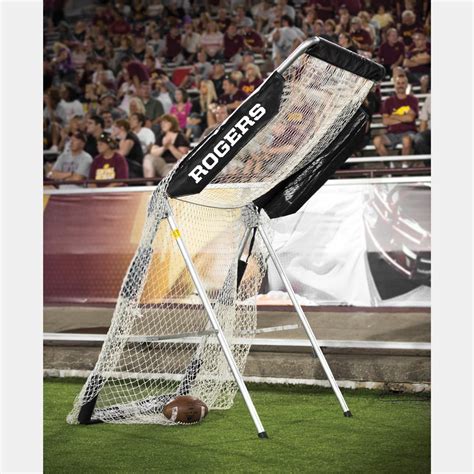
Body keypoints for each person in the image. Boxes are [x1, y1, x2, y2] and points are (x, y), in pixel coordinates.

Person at [373, 75, 419, 156]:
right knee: (377, 140)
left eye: (403, 83)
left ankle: (405, 163)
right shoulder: (388, 101)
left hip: (409, 132)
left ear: (406, 85)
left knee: (406, 140)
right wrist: (403, 118)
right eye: (398, 83)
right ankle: (389, 163)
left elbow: (410, 118)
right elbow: (385, 121)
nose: (400, 85)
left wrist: (393, 116)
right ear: (395, 85)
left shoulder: (413, 100)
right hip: (392, 133)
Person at [143, 114, 190, 180]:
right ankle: (149, 184)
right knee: (148, 157)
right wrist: (164, 147)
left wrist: (170, 146)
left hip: (176, 165)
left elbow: (183, 157)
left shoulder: (180, 137)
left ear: (172, 123)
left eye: (165, 122)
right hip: (163, 164)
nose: (163, 124)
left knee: (169, 171)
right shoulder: (161, 136)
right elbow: (153, 152)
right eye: (162, 122)